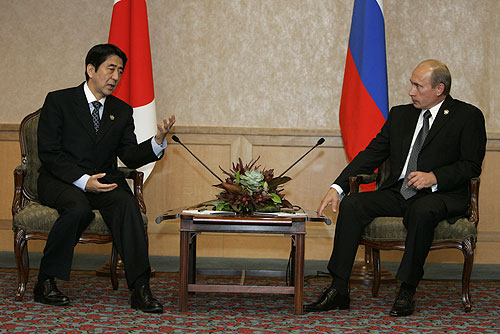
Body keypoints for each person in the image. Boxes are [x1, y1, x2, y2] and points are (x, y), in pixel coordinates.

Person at [305, 59, 486, 316]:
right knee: (354, 204)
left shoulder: (467, 117)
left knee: (422, 210)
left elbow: (471, 166)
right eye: (411, 85)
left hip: (442, 195)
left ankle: (406, 291)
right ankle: (338, 289)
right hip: (400, 192)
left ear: (439, 89)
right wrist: (338, 187)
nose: (411, 91)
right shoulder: (400, 115)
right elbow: (371, 154)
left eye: (418, 86)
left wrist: (434, 177)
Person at [34, 43, 175, 313]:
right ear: (91, 69)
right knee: (78, 209)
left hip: (104, 181)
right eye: (111, 69)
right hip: (61, 179)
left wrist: (156, 142)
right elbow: (49, 153)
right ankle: (46, 282)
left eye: (120, 71)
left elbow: (130, 156)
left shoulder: (121, 111)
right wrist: (83, 180)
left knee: (127, 205)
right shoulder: (59, 100)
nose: (116, 76)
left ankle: (141, 288)